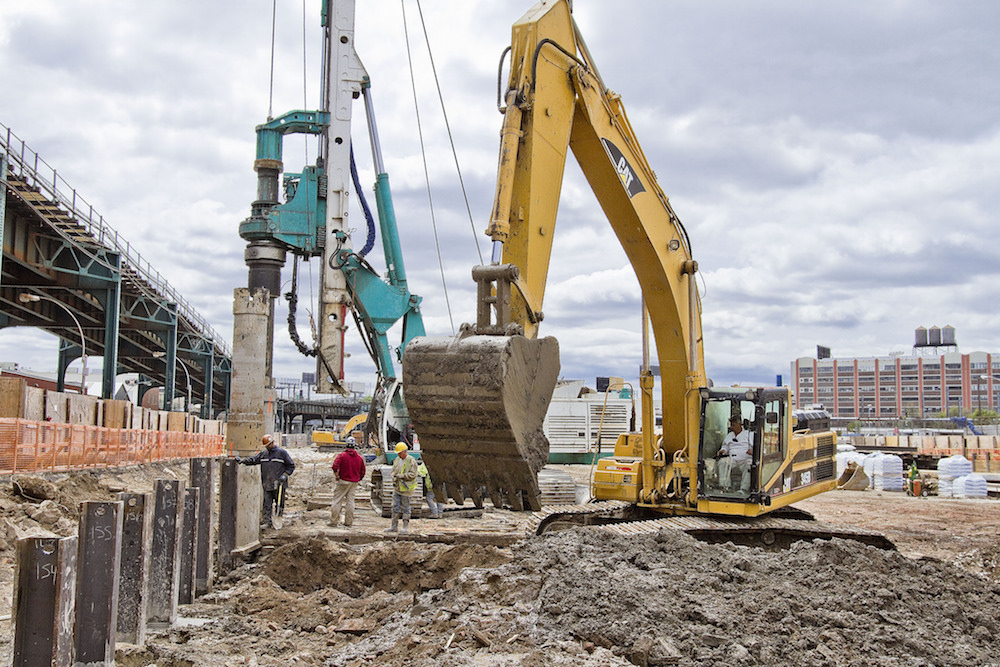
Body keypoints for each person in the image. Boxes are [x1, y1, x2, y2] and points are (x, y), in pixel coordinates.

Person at [236, 434, 295, 529]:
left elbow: (291, 466)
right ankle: (267, 522)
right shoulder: (263, 454)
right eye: (267, 445)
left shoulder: (282, 453)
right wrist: (242, 461)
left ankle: (278, 519)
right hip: (267, 483)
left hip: (279, 484)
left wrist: (285, 475)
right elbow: (254, 460)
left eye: (270, 444)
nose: (269, 446)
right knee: (267, 504)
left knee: (279, 503)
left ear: (272, 443)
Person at [329, 439, 366, 527]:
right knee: (350, 502)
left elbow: (334, 466)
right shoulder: (359, 458)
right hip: (354, 482)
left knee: (337, 501)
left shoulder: (342, 456)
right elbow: (363, 471)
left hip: (343, 481)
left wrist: (337, 475)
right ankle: (348, 522)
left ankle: (333, 521)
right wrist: (358, 478)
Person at [385, 442, 418, 534]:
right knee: (395, 506)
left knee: (406, 507)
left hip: (406, 489)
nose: (399, 454)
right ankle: (394, 526)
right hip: (398, 488)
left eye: (400, 453)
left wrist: (401, 476)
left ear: (404, 451)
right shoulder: (397, 460)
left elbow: (413, 474)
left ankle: (405, 527)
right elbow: (394, 470)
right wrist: (394, 475)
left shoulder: (411, 461)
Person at [717, 417, 752, 492]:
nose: (732, 427)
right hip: (732, 460)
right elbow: (725, 446)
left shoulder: (749, 434)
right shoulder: (730, 435)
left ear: (740, 425)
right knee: (722, 462)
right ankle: (725, 487)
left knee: (750, 464)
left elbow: (760, 448)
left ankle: (743, 489)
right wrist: (723, 450)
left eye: (733, 425)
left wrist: (753, 451)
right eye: (731, 425)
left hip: (745, 460)